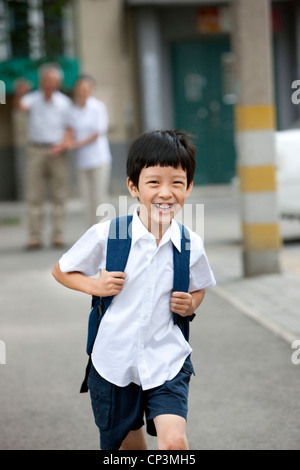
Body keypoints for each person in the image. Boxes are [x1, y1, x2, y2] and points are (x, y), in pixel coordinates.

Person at [52, 130, 216, 450]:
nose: (165, 193)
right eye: (154, 182)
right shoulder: (108, 235)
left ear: (189, 187)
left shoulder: (190, 244)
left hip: (167, 360)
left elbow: (199, 289)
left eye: (177, 183)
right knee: (130, 450)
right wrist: (95, 285)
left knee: (174, 443)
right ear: (133, 187)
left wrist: (191, 304)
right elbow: (61, 270)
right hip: (114, 363)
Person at [14, 64, 72, 249]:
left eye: (54, 80)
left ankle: (58, 235)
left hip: (58, 151)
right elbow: (20, 107)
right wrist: (19, 94)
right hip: (36, 150)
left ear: (58, 83)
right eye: (47, 80)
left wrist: (62, 144)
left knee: (59, 195)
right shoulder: (32, 99)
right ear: (41, 82)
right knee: (34, 195)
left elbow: (70, 128)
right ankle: (35, 237)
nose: (50, 84)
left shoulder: (64, 102)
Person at [53, 75, 112, 226]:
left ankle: (103, 231)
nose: (82, 92)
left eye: (86, 88)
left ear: (91, 90)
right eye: (80, 89)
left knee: (99, 197)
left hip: (99, 159)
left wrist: (74, 144)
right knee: (86, 199)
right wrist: (61, 145)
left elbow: (96, 134)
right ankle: (91, 231)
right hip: (82, 161)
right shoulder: (73, 111)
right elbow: (70, 132)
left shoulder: (98, 107)